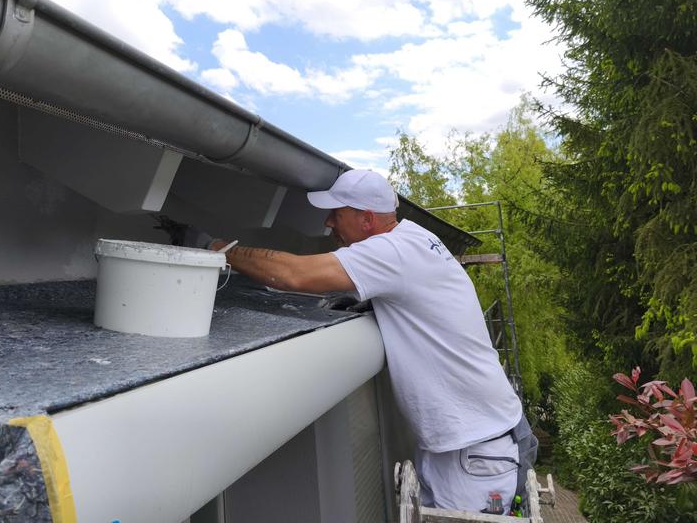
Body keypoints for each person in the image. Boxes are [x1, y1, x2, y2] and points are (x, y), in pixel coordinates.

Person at [206, 169, 537, 515]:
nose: (328, 223)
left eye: (336, 213)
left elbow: (293, 274)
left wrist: (220, 249)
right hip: (472, 442)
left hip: (474, 455)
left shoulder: (392, 251)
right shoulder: (414, 236)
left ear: (366, 219)